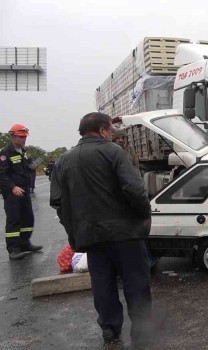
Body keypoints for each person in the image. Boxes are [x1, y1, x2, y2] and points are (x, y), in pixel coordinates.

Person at [50, 112, 154, 345]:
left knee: (102, 283)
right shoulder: (114, 152)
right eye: (110, 130)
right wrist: (143, 218)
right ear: (102, 130)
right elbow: (135, 191)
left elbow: (57, 201)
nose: (112, 134)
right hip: (126, 234)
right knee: (136, 281)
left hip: (91, 236)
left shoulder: (64, 160)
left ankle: (109, 328)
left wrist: (74, 227)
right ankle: (141, 328)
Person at [0, 124, 43, 260]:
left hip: (24, 190)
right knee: (14, 220)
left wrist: (33, 164)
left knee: (27, 218)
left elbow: (28, 168)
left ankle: (25, 243)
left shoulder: (24, 151)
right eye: (21, 137)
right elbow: (2, 174)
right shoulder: (4, 153)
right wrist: (13, 187)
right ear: (12, 136)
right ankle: (13, 248)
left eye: (25, 137)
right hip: (12, 192)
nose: (24, 139)